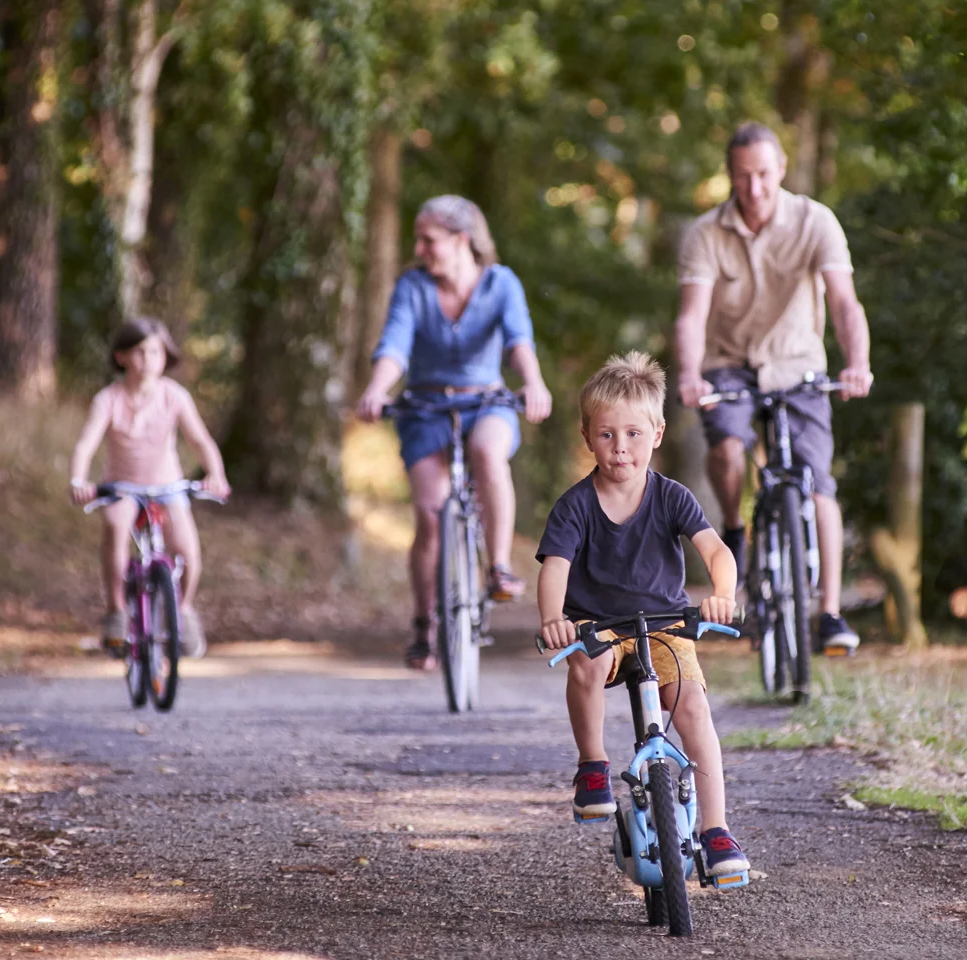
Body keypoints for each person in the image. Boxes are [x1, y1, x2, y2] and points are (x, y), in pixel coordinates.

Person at [536, 351, 750, 880]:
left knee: (692, 708)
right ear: (587, 437)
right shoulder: (575, 506)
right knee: (586, 663)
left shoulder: (672, 497)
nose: (620, 447)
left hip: (665, 625)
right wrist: (553, 618)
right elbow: (555, 568)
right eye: (607, 435)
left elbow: (716, 551)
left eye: (633, 434)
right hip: (599, 626)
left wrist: (722, 593)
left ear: (656, 434)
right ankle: (592, 765)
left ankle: (716, 830)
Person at [674, 121, 874, 655]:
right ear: (729, 175)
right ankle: (734, 528)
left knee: (818, 483)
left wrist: (858, 363)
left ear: (781, 169)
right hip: (728, 365)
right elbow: (691, 317)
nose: (755, 187)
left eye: (763, 174)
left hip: (797, 365)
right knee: (726, 447)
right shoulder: (705, 233)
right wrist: (690, 374)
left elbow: (844, 303)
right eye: (743, 176)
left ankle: (829, 614)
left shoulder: (815, 221)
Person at [355, 195, 554, 670]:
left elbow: (518, 341)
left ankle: (498, 566)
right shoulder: (413, 286)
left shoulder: (501, 283)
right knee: (430, 516)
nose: (419, 249)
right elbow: (395, 345)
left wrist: (534, 382)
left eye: (429, 239)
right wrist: (377, 389)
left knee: (488, 452)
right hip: (424, 407)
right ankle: (424, 625)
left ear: (461, 239)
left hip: (486, 401)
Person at [69, 318, 231, 657]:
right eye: (140, 352)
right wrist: (79, 481)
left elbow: (200, 440)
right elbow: (86, 444)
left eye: (156, 352)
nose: (149, 360)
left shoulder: (174, 396)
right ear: (121, 357)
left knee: (186, 548)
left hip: (168, 485)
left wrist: (216, 474)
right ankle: (116, 613)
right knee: (116, 527)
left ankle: (183, 610)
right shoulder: (108, 399)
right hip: (122, 487)